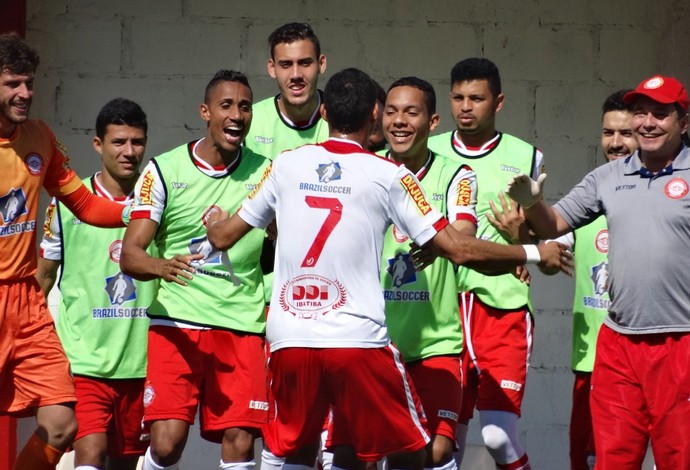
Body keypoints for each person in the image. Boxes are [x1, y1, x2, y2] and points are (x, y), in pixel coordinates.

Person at [206, 67, 570, 470]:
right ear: (374, 116)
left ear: (324, 112)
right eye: (391, 112)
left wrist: (215, 223)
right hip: (357, 341)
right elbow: (459, 248)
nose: (398, 121)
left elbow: (223, 237)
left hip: (290, 338)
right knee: (412, 450)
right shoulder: (388, 174)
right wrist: (534, 253)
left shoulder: (287, 164)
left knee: (300, 451)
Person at [506, 74, 690, 469]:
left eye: (660, 114)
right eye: (641, 113)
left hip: (682, 342)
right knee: (612, 459)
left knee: (680, 458)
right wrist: (533, 203)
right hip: (619, 343)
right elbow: (553, 225)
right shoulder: (608, 176)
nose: (648, 123)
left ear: (683, 122)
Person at [120, 70, 271, 470]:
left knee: (240, 441)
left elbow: (286, 239)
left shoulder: (269, 172)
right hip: (177, 325)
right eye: (226, 105)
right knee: (167, 444)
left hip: (240, 325)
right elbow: (130, 254)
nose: (236, 114)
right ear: (205, 112)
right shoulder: (164, 170)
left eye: (244, 106)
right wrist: (160, 265)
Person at [0, 33, 131, 470]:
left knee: (62, 423)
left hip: (26, 302)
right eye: (12, 83)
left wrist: (144, 211)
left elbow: (87, 204)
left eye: (29, 83)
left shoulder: (39, 136)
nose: (25, 94)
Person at [489, 90, 638, 470]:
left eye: (625, 134)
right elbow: (550, 256)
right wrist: (522, 238)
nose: (616, 143)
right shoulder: (589, 204)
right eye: (608, 133)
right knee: (590, 459)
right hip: (594, 362)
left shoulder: (664, 202)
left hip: (655, 355)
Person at [427, 57, 543, 470]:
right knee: (441, 442)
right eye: (458, 97)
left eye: (476, 98)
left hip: (501, 304)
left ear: (499, 102)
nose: (465, 107)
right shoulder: (431, 148)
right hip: (440, 307)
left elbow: (537, 235)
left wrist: (520, 239)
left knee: (496, 437)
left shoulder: (526, 156)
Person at [36, 98, 154, 470]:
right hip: (83, 361)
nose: (129, 152)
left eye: (137, 142)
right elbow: (43, 277)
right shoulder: (67, 204)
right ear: (98, 145)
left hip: (142, 362)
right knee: (89, 454)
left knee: (126, 462)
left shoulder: (159, 202)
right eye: (119, 142)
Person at [378, 77, 474, 470]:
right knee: (371, 452)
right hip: (376, 341)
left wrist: (439, 242)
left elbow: (464, 234)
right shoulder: (368, 169)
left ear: (433, 121)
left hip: (437, 343)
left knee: (434, 452)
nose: (399, 121)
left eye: (411, 112)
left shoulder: (457, 174)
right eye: (391, 111)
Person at [243, 22, 328, 160]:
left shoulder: (343, 118)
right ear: (272, 68)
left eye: (305, 63)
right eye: (286, 65)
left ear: (321, 64)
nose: (295, 75)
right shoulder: (251, 119)